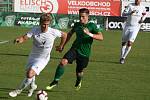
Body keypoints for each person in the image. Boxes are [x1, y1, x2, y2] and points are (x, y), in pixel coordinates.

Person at [9, 13, 67, 97]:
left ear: (49, 23)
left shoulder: (53, 32)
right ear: (40, 23)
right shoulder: (35, 30)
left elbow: (64, 35)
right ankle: (32, 86)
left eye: (47, 24)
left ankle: (18, 91)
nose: (45, 26)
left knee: (30, 74)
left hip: (43, 59)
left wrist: (61, 46)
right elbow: (24, 38)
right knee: (30, 74)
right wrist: (19, 40)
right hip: (33, 56)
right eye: (43, 24)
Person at [46, 8, 103, 91]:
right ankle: (55, 81)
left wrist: (89, 34)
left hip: (85, 53)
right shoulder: (77, 25)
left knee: (79, 72)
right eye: (80, 16)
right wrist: (62, 46)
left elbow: (101, 37)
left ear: (88, 16)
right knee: (63, 62)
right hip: (75, 49)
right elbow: (69, 34)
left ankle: (79, 81)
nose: (81, 19)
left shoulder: (92, 26)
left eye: (83, 17)